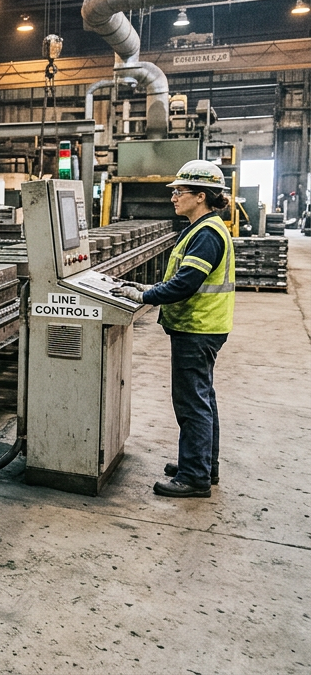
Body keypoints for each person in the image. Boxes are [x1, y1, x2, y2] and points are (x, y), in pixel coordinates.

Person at [111, 160, 234, 498]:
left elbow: (185, 285)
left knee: (192, 402)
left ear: (201, 195)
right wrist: (145, 286)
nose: (174, 197)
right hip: (202, 327)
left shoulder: (207, 234)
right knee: (202, 397)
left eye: (180, 191)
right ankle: (203, 465)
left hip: (198, 328)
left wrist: (144, 294)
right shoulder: (201, 228)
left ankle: (194, 478)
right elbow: (180, 279)